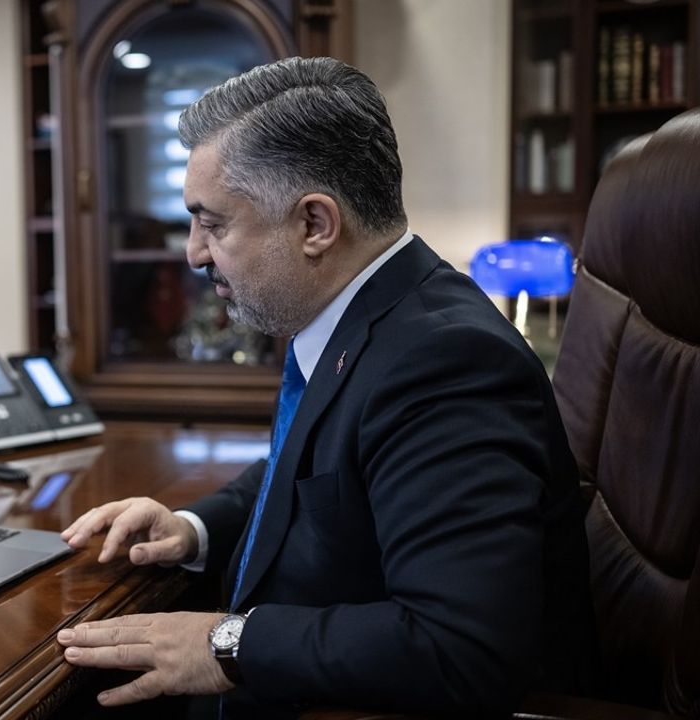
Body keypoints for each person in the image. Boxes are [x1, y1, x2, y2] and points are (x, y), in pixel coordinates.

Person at [56, 57, 593, 716]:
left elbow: (459, 648)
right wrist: (194, 528)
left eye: (213, 223)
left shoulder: (447, 363)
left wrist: (225, 643)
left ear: (314, 224)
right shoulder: (367, 314)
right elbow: (318, 471)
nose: (193, 252)